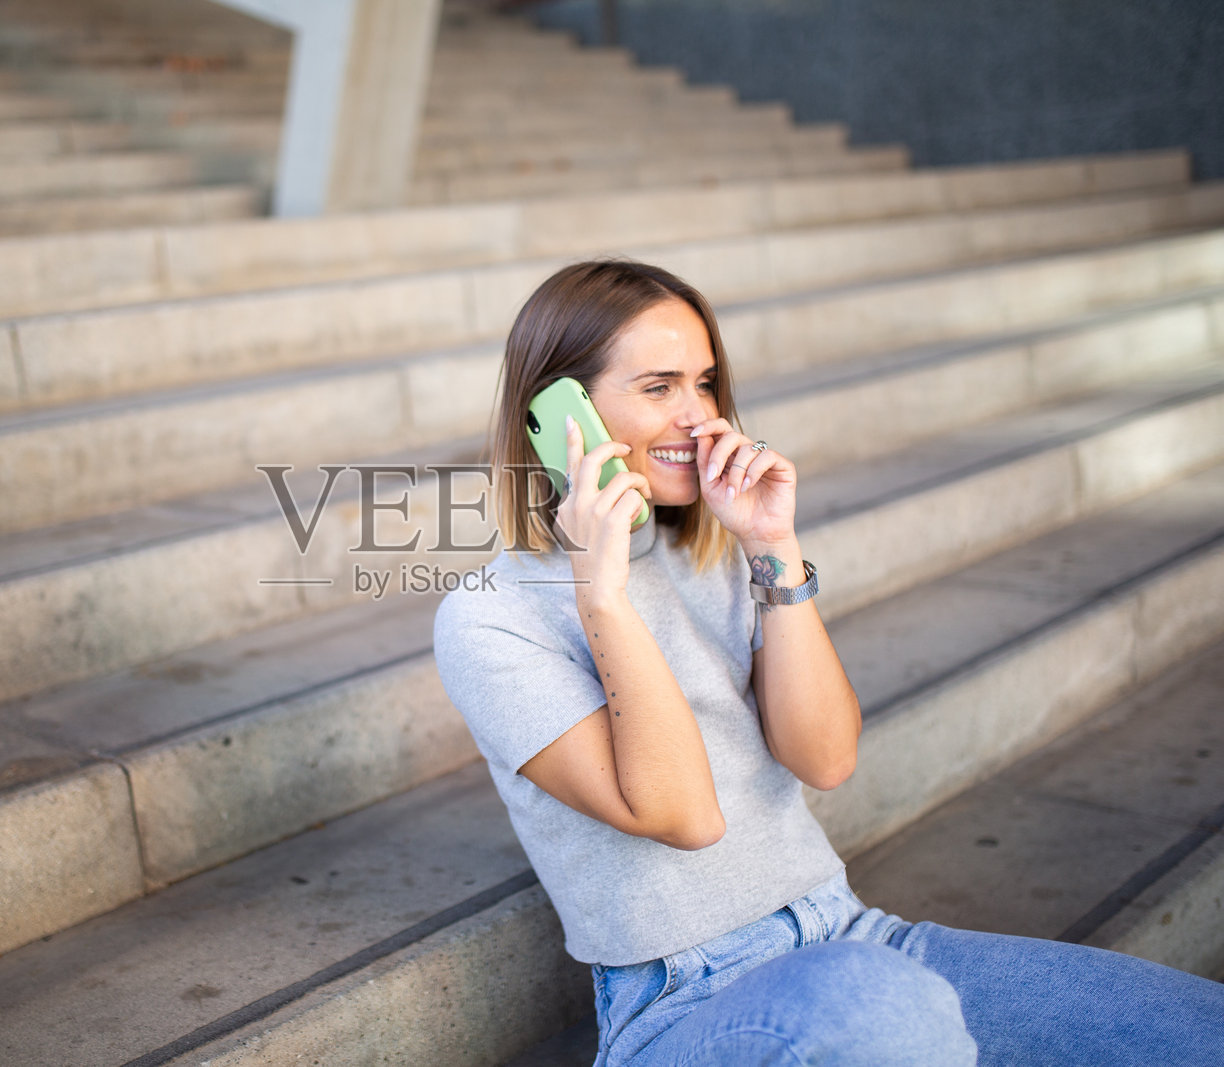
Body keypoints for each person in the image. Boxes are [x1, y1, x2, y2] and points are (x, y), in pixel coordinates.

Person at [431, 260, 1224, 1065]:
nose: (699, 417)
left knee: (1196, 1027)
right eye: (659, 387)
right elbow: (685, 816)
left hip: (850, 932)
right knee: (879, 1006)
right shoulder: (488, 618)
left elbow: (826, 756)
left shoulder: (711, 556)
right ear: (553, 411)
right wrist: (602, 595)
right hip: (685, 1000)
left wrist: (773, 544)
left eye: (705, 385)